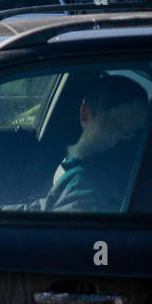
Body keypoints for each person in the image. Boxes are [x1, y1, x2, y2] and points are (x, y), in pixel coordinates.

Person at [41, 74, 149, 213]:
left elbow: (58, 228)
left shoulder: (91, 179)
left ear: (84, 114)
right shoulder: (137, 166)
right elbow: (44, 206)